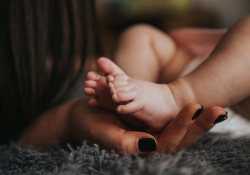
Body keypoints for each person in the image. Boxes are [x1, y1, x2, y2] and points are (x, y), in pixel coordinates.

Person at [0, 0, 226, 155]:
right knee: (138, 34)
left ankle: (145, 101)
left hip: (210, 88)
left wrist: (68, 117)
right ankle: (137, 101)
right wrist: (68, 119)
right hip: (184, 74)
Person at [84, 14, 250, 134]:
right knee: (140, 34)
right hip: (196, 72)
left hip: (235, 106)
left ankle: (176, 98)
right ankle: (133, 98)